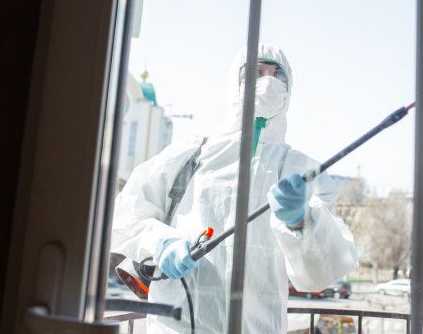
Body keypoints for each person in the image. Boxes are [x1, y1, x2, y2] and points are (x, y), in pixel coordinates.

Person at [111, 44, 358, 334]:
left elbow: (324, 271)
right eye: (256, 72)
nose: (268, 82)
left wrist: (303, 221)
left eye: (278, 75)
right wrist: (161, 242)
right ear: (234, 83)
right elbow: (125, 215)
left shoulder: (302, 171)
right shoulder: (192, 155)